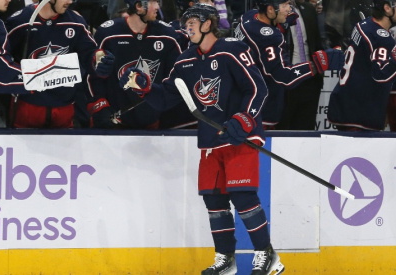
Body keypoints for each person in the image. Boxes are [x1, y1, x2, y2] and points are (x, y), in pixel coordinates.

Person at [119, 3, 284, 274]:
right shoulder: (185, 61)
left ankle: (266, 255)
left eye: (193, 21)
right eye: (186, 22)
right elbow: (166, 98)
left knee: (243, 197)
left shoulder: (232, 50)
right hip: (210, 141)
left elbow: (257, 88)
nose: (188, 26)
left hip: (239, 138)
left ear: (209, 23)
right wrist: (145, 85)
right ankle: (225, 260)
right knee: (214, 201)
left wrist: (244, 119)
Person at [234, 0, 343, 129]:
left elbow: (259, 49)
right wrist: (318, 64)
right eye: (284, 5)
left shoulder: (248, 17)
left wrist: (281, 26)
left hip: (243, 98)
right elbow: (284, 76)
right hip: (261, 108)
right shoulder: (271, 37)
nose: (289, 9)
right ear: (270, 9)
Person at [5, 0, 115, 128]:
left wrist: (99, 61)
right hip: (28, 105)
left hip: (64, 105)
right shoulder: (20, 21)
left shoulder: (76, 21)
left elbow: (89, 53)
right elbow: (4, 60)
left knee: (64, 147)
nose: (70, 1)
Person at [87, 0, 194, 129]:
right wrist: (99, 104)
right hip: (113, 121)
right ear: (138, 6)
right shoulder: (108, 34)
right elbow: (93, 76)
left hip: (151, 122)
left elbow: (174, 79)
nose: (157, 7)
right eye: (152, 3)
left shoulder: (167, 35)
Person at [328, 0, 396, 131]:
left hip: (345, 102)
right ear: (387, 8)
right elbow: (380, 75)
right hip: (360, 111)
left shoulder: (364, 24)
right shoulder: (381, 38)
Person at [276, 0, 324, 130]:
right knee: (284, 128)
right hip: (286, 80)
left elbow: (317, 41)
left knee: (306, 128)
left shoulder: (308, 9)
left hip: (310, 78)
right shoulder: (274, 9)